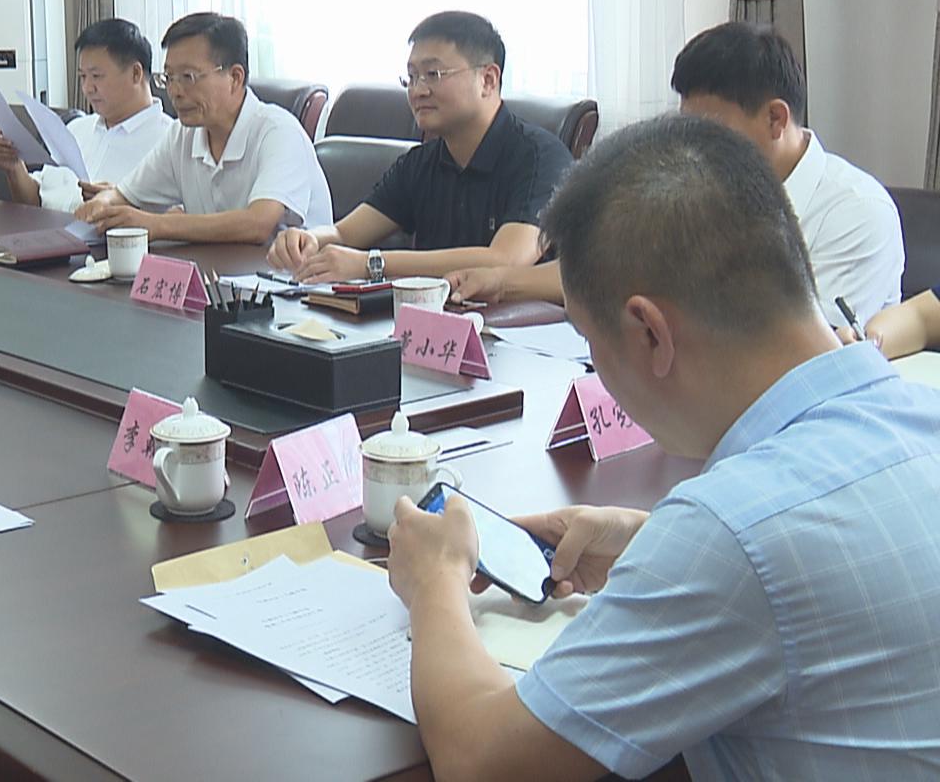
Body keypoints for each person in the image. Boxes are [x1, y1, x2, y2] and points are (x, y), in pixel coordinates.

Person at [384, 115, 940, 781]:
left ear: (650, 332)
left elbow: (482, 762)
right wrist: (652, 541)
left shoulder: (732, 534)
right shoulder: (920, 415)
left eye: (591, 341)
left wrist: (435, 582)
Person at [448, 23, 905, 326]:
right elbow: (614, 268)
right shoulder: (706, 183)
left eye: (710, 128)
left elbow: (802, 351)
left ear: (775, 119)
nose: (694, 145)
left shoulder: (856, 213)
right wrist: (500, 280)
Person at [267, 12, 572, 282]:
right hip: (433, 320)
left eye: (433, 75)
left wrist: (372, 264)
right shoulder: (420, 163)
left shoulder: (540, 158)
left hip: (521, 324)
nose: (417, 90)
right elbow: (344, 233)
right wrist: (308, 239)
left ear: (488, 80)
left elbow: (506, 260)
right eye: (411, 77)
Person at [74, 12, 330, 242]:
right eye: (169, 78)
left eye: (188, 77)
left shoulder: (278, 131)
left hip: (295, 276)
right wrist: (102, 204)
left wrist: (158, 225)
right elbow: (125, 195)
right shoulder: (183, 135)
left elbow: (258, 223)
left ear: (235, 77)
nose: (175, 91)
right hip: (218, 272)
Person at [0, 18, 173, 212]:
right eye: (83, 77)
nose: (87, 88)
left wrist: (121, 203)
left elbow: (178, 220)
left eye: (96, 76)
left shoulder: (170, 141)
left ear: (135, 73)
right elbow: (35, 200)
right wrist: (14, 168)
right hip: (44, 230)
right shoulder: (76, 128)